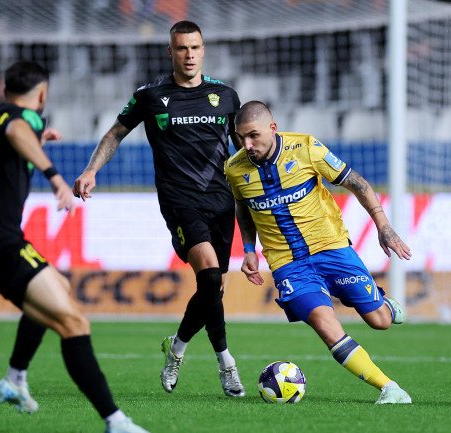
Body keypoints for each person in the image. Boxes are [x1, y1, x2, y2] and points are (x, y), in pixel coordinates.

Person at [0, 60, 150, 433]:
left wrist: (36, 141)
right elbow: (18, 130)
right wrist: (55, 177)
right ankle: (116, 422)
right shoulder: (24, 119)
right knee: (73, 322)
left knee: (57, 286)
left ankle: (15, 377)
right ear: (42, 94)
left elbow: (4, 145)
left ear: (5, 90)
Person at [73, 20, 245, 398]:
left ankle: (176, 349)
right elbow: (116, 133)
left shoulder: (226, 96)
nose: (189, 55)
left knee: (212, 289)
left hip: (222, 201)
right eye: (182, 48)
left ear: (203, 50)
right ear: (170, 52)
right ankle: (227, 363)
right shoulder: (150, 96)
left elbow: (243, 149)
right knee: (209, 274)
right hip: (180, 200)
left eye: (195, 48)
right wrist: (91, 170)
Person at [225, 101, 412, 405]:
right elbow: (243, 207)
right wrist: (249, 249)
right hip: (288, 264)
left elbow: (358, 184)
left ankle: (385, 306)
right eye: (240, 137)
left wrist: (384, 226)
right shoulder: (234, 168)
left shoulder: (306, 148)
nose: (247, 145)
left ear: (273, 128)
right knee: (323, 322)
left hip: (331, 248)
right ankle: (389, 388)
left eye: (253, 136)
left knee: (379, 321)